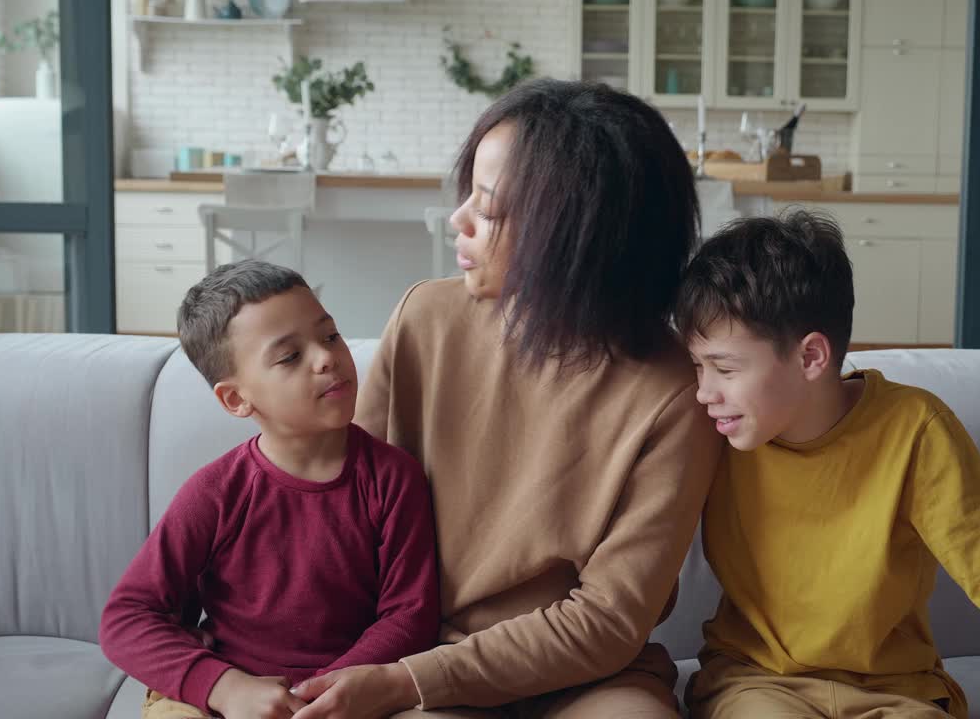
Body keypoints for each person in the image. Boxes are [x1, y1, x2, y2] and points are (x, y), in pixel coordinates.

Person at [288, 79, 723, 719]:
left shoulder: (674, 391)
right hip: (417, 654)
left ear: (575, 235)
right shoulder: (425, 318)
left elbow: (607, 621)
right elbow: (343, 517)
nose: (457, 219)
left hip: (588, 676)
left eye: (487, 209)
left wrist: (405, 684)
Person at [676, 211, 980, 719]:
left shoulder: (915, 431)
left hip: (897, 693)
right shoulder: (706, 429)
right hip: (754, 685)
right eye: (697, 365)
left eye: (725, 368)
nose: (703, 391)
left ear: (811, 358)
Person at [100, 260, 440, 719]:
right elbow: (126, 619)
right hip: (223, 694)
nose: (325, 358)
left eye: (330, 336)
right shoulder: (215, 493)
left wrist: (321, 696)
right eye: (289, 356)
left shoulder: (394, 479)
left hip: (348, 695)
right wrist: (224, 688)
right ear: (237, 399)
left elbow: (410, 617)